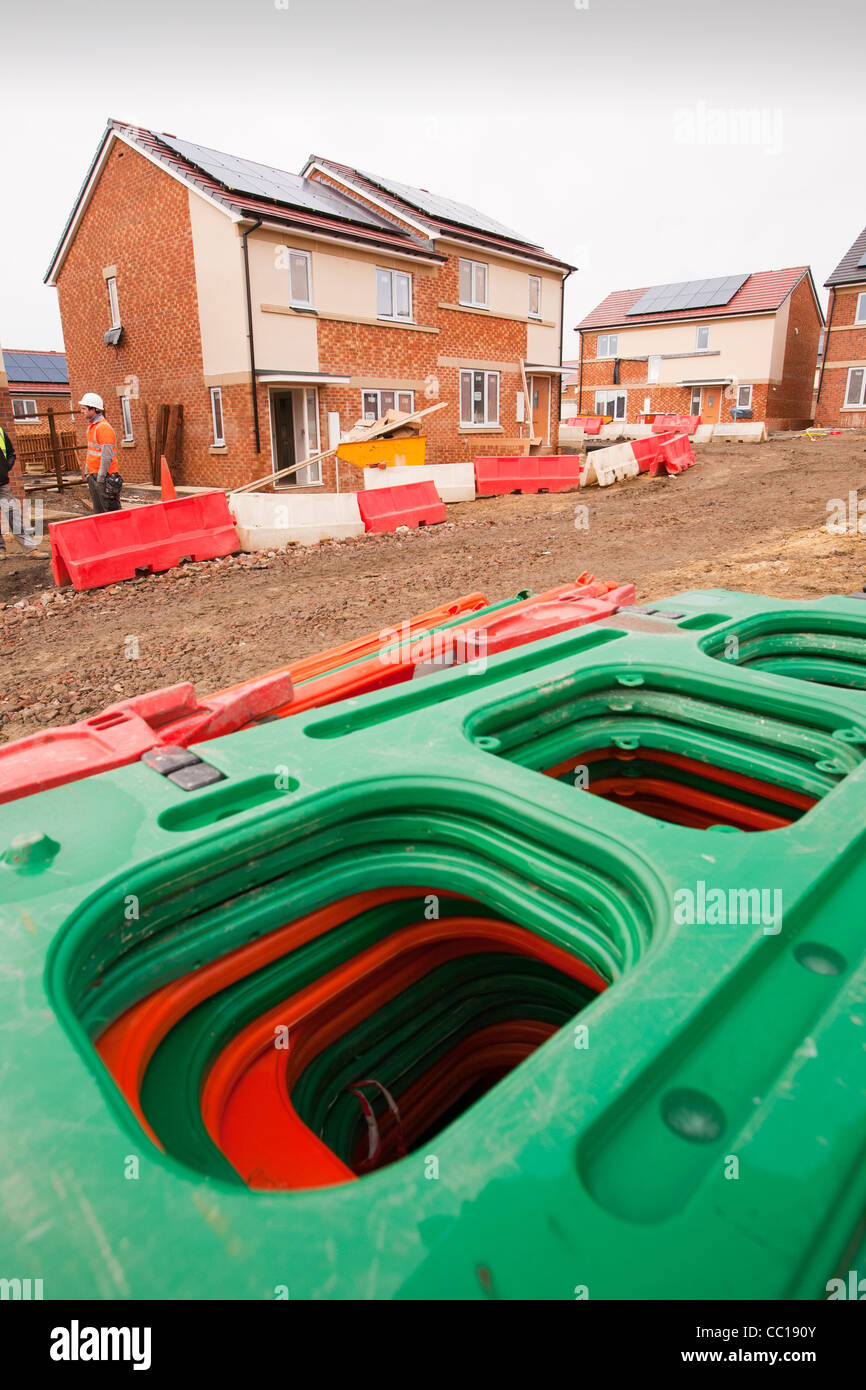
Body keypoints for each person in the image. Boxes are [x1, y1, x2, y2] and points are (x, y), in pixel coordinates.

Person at [0, 420, 39, 559]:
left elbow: (11, 453)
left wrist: (4, 469)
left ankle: (29, 548)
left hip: (2, 482)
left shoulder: (0, 431)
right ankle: (1, 550)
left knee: (13, 515)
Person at [79, 392, 122, 512]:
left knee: (111, 512)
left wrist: (101, 479)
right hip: (95, 476)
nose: (82, 411)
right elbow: (91, 451)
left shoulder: (103, 428)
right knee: (99, 513)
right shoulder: (92, 427)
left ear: (93, 409)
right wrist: (88, 471)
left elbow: (106, 456)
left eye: (84, 408)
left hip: (105, 477)